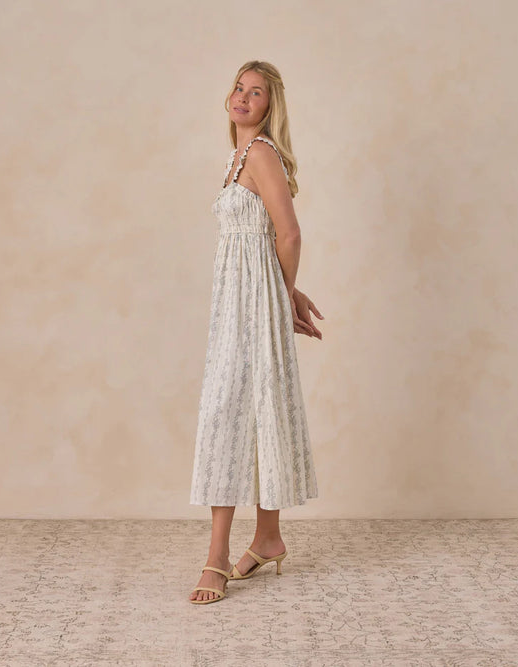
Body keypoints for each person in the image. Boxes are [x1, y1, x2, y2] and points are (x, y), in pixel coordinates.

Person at [188, 61, 324, 604]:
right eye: (239, 88)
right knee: (254, 407)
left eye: (257, 92)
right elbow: (261, 239)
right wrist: (286, 290)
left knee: (229, 411)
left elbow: (289, 234)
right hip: (238, 301)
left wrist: (282, 295)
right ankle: (268, 537)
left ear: (270, 106)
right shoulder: (237, 156)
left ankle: (217, 555)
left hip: (253, 304)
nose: (243, 97)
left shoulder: (261, 153)